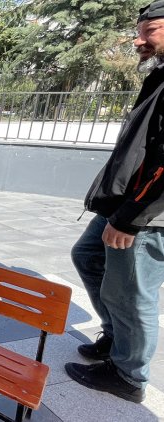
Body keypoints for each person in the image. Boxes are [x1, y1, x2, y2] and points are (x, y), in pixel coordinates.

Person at [64, 1, 164, 404]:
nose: (138, 39)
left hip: (144, 214)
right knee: (88, 255)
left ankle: (128, 375)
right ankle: (116, 338)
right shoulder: (159, 77)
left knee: (133, 293)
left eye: (151, 30)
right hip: (126, 203)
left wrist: (129, 218)